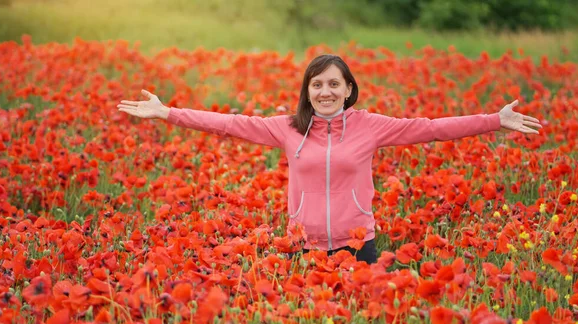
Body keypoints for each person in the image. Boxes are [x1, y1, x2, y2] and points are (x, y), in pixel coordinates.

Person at [117, 54, 542, 264]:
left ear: (349, 89)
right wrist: (167, 112)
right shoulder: (287, 128)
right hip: (302, 248)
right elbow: (228, 123)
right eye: (317, 84)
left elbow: (429, 127)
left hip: (359, 246)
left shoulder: (371, 126)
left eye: (334, 84)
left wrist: (493, 120)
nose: (325, 92)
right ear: (308, 91)